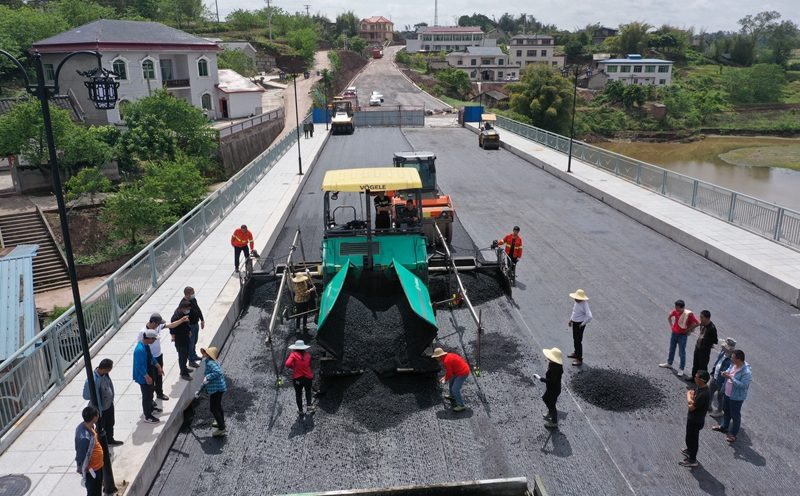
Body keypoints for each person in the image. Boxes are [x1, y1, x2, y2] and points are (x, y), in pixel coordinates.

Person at [139, 313, 187, 401]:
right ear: (153, 323)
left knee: (159, 374)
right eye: (158, 323)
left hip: (158, 355)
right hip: (149, 358)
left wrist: (181, 320)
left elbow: (171, 325)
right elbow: (141, 345)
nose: (159, 325)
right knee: (151, 377)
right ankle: (151, 398)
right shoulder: (143, 332)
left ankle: (159, 393)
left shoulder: (158, 327)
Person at [712, 350, 752, 443]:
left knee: (735, 415)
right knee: (726, 411)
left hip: (736, 397)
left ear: (738, 359)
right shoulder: (733, 364)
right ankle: (724, 426)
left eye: (733, 357)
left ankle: (733, 433)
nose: (731, 359)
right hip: (727, 393)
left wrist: (731, 378)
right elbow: (729, 371)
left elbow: (743, 385)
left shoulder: (746, 372)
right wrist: (725, 373)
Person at [82, 359, 123, 446]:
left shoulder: (105, 374)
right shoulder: (92, 379)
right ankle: (101, 445)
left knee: (110, 423)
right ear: (105, 369)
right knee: (101, 428)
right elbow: (86, 396)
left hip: (109, 405)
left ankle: (110, 439)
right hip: (100, 408)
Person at [660, 300, 700, 377]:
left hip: (682, 336)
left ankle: (681, 368)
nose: (676, 309)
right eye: (675, 307)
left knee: (681, 352)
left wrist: (688, 329)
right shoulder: (676, 311)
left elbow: (698, 323)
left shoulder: (688, 314)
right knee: (672, 349)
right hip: (674, 333)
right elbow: (669, 316)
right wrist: (671, 326)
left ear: (682, 308)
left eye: (677, 308)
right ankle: (669, 363)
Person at [195, 347, 228, 437]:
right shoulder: (208, 361)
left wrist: (208, 377)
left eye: (205, 352)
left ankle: (221, 428)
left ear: (209, 355)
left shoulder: (210, 363)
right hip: (220, 388)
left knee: (213, 409)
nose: (203, 354)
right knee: (218, 406)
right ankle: (221, 422)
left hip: (216, 389)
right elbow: (203, 359)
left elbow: (218, 372)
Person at [680, 370, 711, 467]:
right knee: (689, 437)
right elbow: (691, 392)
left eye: (696, 377)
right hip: (692, 418)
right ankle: (689, 451)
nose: (694, 378)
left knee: (693, 439)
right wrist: (690, 397)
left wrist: (689, 398)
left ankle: (692, 460)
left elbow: (691, 406)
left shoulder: (703, 394)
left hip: (696, 420)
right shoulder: (700, 387)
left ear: (702, 380)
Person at [133, 330, 163, 423]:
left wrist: (158, 366)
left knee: (150, 393)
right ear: (149, 338)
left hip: (150, 373)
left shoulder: (146, 346)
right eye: (154, 339)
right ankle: (147, 415)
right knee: (146, 395)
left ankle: (151, 408)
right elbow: (139, 366)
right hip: (144, 377)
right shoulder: (139, 350)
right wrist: (147, 377)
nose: (154, 340)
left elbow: (151, 357)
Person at [74, 406, 104, 496]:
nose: (98, 416)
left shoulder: (87, 427)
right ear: (94, 418)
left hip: (98, 466)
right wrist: (79, 465)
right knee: (93, 492)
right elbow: (80, 454)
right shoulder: (85, 438)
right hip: (92, 469)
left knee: (97, 490)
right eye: (97, 414)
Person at [432, 347, 470, 412]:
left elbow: (449, 374)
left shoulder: (446, 361)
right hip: (458, 370)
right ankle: (452, 396)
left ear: (440, 356)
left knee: (455, 389)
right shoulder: (448, 356)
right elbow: (450, 373)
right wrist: (444, 377)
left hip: (462, 373)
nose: (435, 359)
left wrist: (444, 380)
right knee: (451, 382)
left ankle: (461, 405)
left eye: (436, 357)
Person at [534, 347, 563, 428]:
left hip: (554, 390)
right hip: (551, 388)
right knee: (545, 398)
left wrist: (540, 378)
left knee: (552, 405)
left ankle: (554, 422)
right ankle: (550, 412)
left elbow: (552, 381)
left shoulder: (555, 368)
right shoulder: (552, 364)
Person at [708, 337, 736, 418]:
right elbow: (718, 362)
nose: (722, 346)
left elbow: (731, 371)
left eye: (723, 345)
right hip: (716, 376)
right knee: (710, 390)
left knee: (720, 396)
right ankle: (708, 404)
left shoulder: (732, 359)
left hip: (722, 380)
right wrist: (714, 371)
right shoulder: (723, 352)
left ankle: (720, 410)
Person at [285, 340, 315, 415]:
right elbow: (309, 366)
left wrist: (293, 368)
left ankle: (300, 410)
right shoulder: (308, 356)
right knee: (308, 391)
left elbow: (287, 363)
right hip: (308, 377)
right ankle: (309, 405)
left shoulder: (293, 354)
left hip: (297, 378)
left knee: (298, 394)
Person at [688, 310, 718, 382]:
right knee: (695, 363)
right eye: (700, 317)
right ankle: (694, 377)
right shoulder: (702, 324)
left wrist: (708, 342)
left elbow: (715, 340)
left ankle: (702, 381)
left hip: (704, 350)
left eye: (702, 317)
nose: (701, 319)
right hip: (698, 347)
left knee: (702, 366)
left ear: (708, 318)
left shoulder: (712, 328)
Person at [567, 289, 592, 367]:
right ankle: (576, 353)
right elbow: (574, 312)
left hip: (579, 324)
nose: (575, 299)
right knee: (575, 339)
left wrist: (582, 324)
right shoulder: (576, 302)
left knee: (578, 341)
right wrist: (571, 320)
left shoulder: (584, 304)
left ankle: (579, 359)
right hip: (575, 322)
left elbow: (590, 316)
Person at [171, 300, 194, 380]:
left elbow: (187, 323)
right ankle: (183, 372)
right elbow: (172, 328)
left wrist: (189, 331)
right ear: (182, 309)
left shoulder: (183, 314)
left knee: (186, 354)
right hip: (180, 340)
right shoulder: (176, 317)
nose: (188, 311)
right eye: (187, 309)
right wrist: (173, 336)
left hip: (186, 337)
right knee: (182, 356)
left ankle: (185, 368)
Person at [183, 286, 205, 367]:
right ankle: (191, 360)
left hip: (196, 324)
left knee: (195, 341)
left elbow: (198, 309)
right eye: (192, 293)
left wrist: (202, 320)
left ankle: (194, 355)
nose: (194, 295)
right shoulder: (184, 304)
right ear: (187, 294)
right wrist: (188, 330)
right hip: (190, 326)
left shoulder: (193, 300)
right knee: (191, 343)